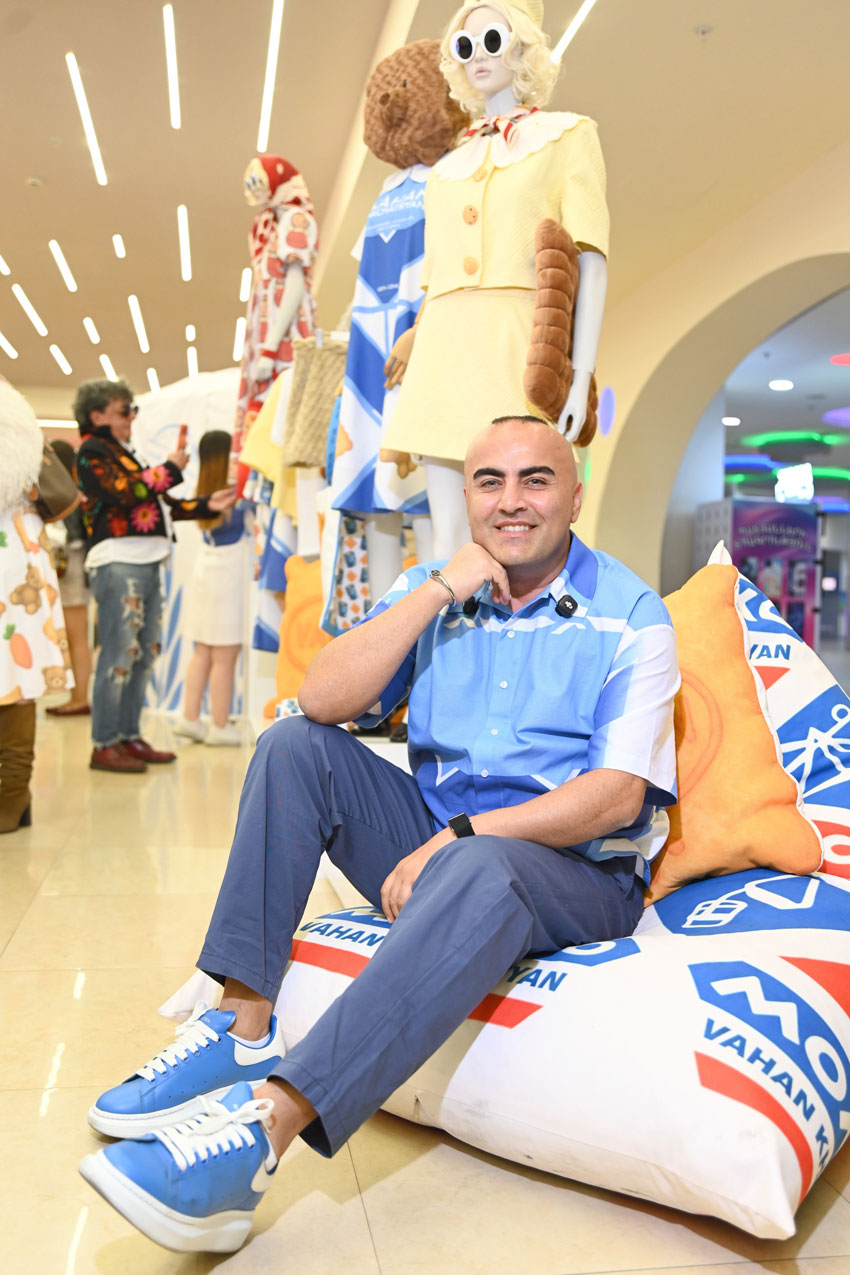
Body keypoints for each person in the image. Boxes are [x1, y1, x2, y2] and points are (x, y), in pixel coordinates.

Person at [79, 416, 679, 1253]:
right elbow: (322, 699)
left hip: (574, 873)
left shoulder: (633, 615)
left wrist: (462, 835)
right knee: (293, 747)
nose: (511, 501)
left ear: (574, 495)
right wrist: (433, 592)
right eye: (490, 482)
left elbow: (616, 796)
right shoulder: (438, 586)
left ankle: (263, 1131)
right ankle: (242, 1026)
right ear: (467, 496)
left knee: (483, 864)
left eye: (535, 480)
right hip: (439, 838)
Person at [382, 0, 609, 557]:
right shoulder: (444, 170)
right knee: (446, 536)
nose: (478, 56)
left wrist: (579, 375)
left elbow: (590, 259)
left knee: (518, 527)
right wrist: (415, 335)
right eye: (465, 45)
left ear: (522, 45)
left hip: (517, 349)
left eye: (492, 39)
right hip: (442, 354)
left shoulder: (567, 136)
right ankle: (449, 618)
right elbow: (435, 276)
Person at [74, 379, 235, 773]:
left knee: (143, 654)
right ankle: (105, 742)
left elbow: (158, 504)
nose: (131, 417)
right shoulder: (93, 451)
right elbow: (125, 492)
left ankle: (128, 735)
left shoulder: (123, 452)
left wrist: (205, 504)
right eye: (123, 411)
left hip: (144, 561)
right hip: (118, 561)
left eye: (132, 410)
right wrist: (170, 468)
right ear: (97, 415)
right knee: (119, 654)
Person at [0, 380, 73, 832]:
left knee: (12, 675)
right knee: (14, 675)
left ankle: (11, 795)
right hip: (20, 547)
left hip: (11, 557)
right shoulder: (15, 409)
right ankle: (13, 796)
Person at [173, 430, 250, 746]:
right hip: (228, 573)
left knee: (203, 650)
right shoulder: (230, 489)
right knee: (225, 654)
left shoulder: (203, 488)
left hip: (207, 569)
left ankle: (190, 718)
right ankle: (219, 725)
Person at [44, 437, 93, 717]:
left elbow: (70, 539)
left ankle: (79, 698)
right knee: (76, 636)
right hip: (74, 571)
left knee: (76, 636)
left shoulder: (66, 496)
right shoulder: (75, 493)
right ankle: (76, 696)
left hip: (70, 572)